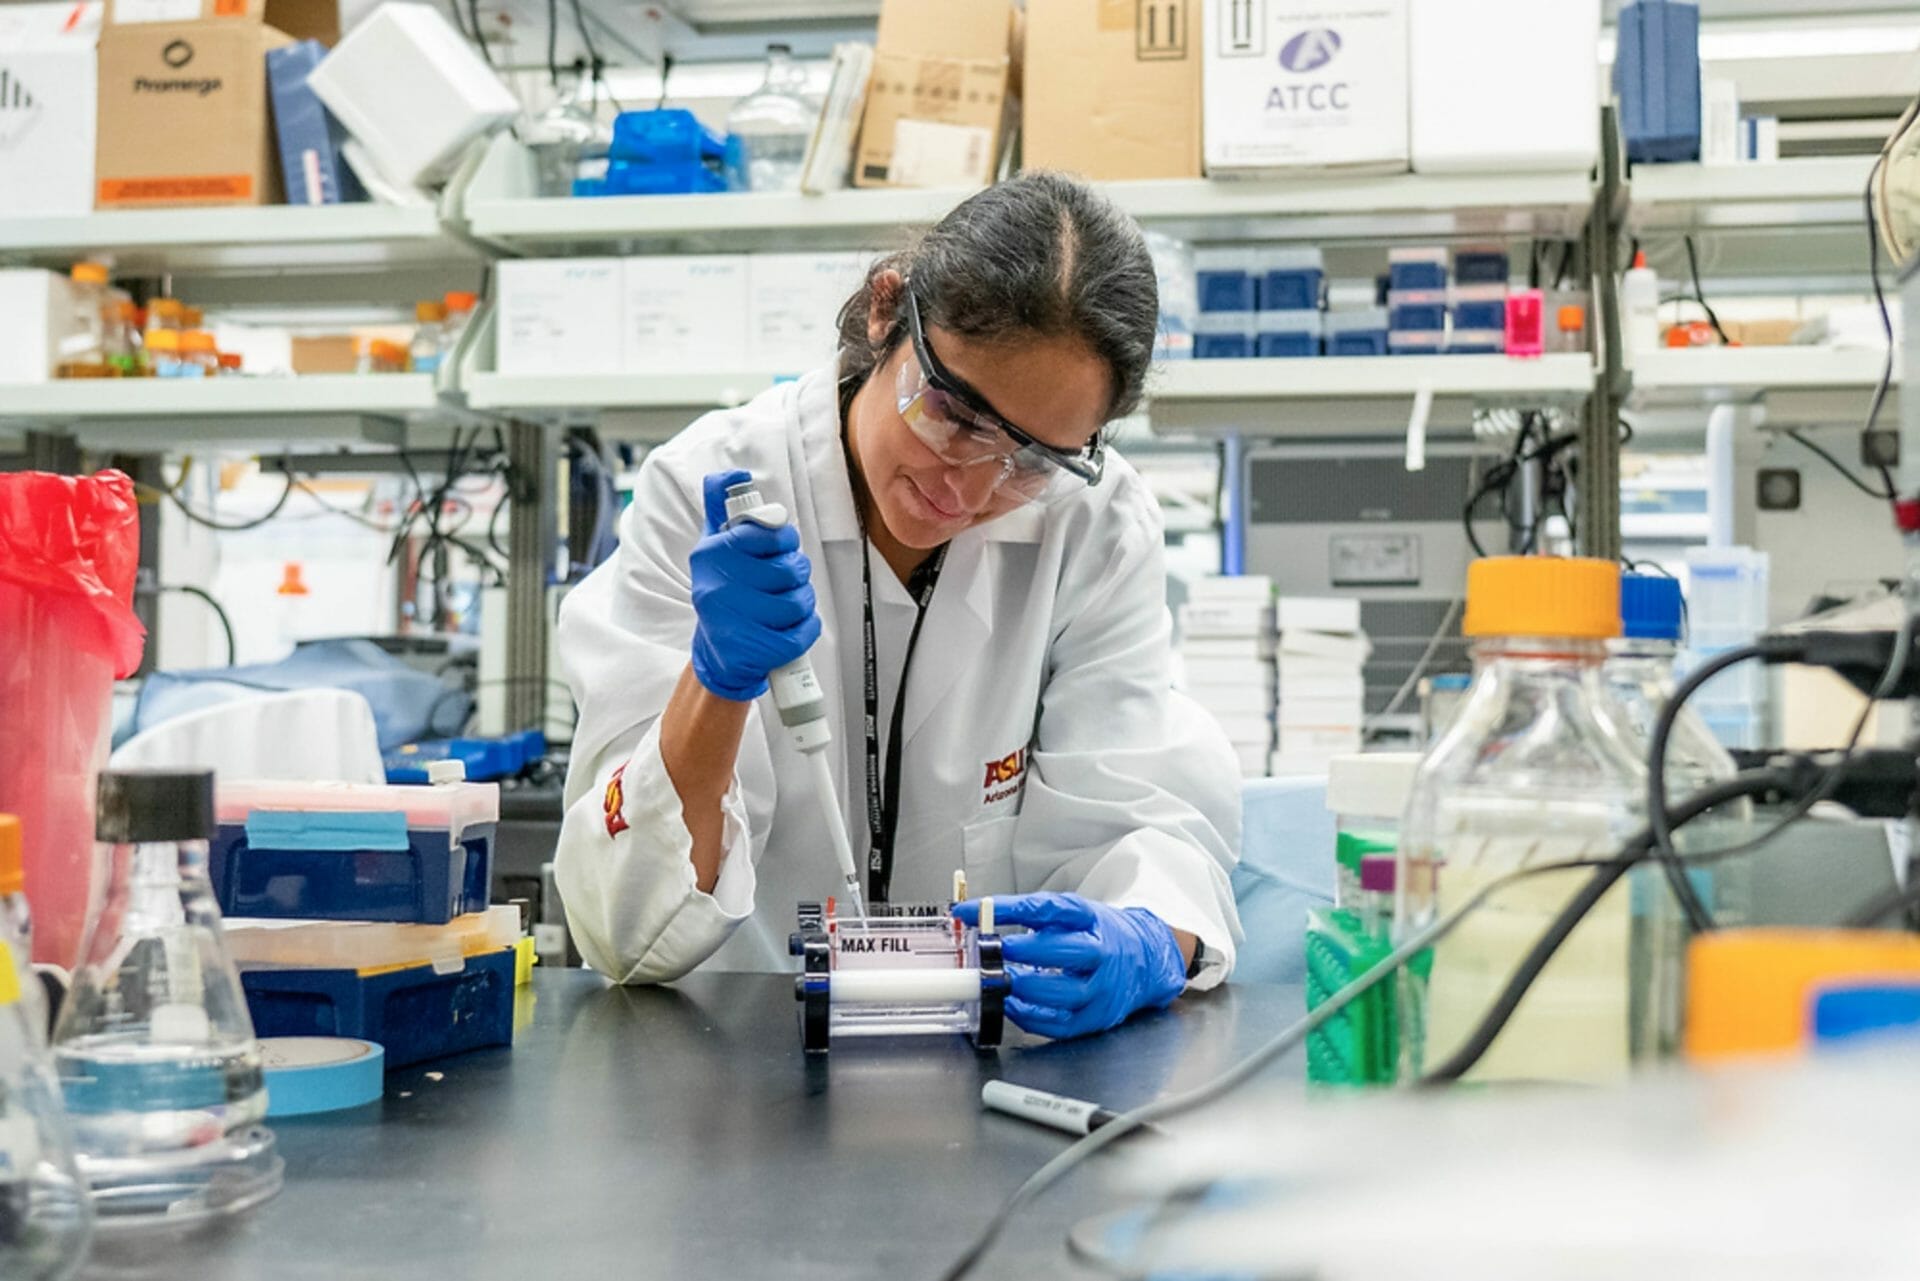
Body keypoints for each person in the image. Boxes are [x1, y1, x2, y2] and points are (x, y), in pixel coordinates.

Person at [554, 172, 1243, 1040]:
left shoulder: (1093, 523)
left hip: (994, 1060)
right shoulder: (708, 489)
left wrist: (1147, 934)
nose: (969, 485)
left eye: (1031, 458)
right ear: (888, 313)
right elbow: (621, 929)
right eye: (954, 414)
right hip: (733, 1063)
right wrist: (714, 683)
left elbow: (1136, 808)